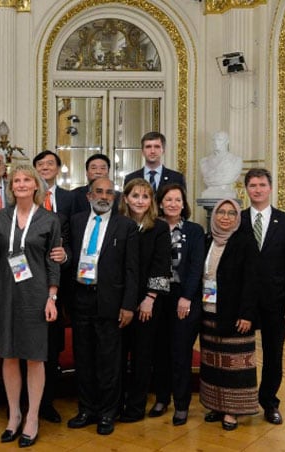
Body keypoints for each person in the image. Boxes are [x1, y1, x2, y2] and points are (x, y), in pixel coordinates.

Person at [0, 165, 62, 447]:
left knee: (35, 357)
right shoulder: (0, 217)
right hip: (5, 293)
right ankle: (14, 415)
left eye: (26, 179)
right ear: (11, 186)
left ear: (36, 185)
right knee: (9, 355)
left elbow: (54, 261)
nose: (21, 184)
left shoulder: (50, 219)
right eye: (16, 180)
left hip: (36, 294)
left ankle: (32, 417)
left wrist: (52, 297)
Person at [67, 176, 138, 436]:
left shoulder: (126, 226)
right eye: (99, 191)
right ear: (89, 195)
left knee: (109, 361)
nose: (104, 197)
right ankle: (87, 409)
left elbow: (132, 270)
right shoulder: (75, 222)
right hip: (80, 299)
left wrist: (129, 305)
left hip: (110, 301)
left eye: (109, 192)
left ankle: (108, 412)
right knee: (83, 358)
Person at [200, 199, 259, 430]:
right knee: (213, 363)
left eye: (231, 213)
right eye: (221, 212)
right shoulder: (208, 240)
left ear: (237, 218)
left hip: (235, 316)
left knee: (235, 367)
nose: (225, 217)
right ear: (214, 215)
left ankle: (232, 411)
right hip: (209, 312)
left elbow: (252, 281)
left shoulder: (244, 242)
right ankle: (216, 405)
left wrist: (247, 314)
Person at [117, 179, 171, 423]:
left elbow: (162, 266)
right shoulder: (117, 224)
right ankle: (115, 404)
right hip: (120, 300)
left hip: (148, 302)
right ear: (126, 198)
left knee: (142, 356)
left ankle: (136, 408)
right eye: (135, 195)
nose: (140, 200)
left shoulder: (159, 228)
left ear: (151, 202)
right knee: (117, 355)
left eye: (145, 196)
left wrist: (149, 298)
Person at [150, 183, 205, 425]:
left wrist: (187, 297)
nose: (173, 203)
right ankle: (162, 398)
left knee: (181, 352)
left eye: (178, 200)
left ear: (184, 204)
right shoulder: (153, 228)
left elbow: (196, 267)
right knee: (159, 350)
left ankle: (181, 404)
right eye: (168, 199)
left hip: (185, 296)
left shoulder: (194, 230)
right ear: (160, 202)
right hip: (158, 296)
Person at [238, 168, 285, 425]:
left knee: (272, 355)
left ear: (270, 188)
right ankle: (236, 402)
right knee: (237, 354)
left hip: (276, 301)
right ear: (246, 189)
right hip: (242, 302)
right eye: (252, 185)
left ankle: (269, 402)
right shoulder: (237, 219)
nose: (257, 189)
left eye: (261, 185)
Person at [32, 149, 74, 423]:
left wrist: (66, 255)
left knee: (51, 347)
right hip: (26, 285)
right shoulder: (20, 208)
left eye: (50, 164)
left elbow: (76, 237)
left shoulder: (70, 199)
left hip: (59, 286)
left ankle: (47, 402)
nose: (45, 168)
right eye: (40, 165)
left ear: (59, 168)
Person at [199, 131, 243, 198]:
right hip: (209, 193)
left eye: (220, 140)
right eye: (214, 140)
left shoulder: (236, 161)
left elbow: (230, 177)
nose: (216, 142)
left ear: (227, 141)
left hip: (226, 191)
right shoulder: (204, 162)